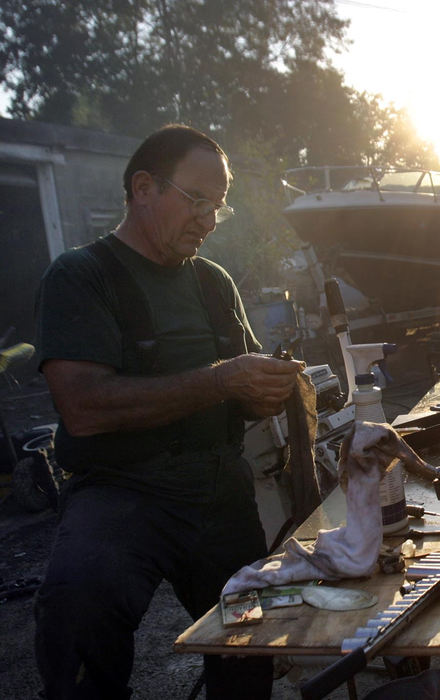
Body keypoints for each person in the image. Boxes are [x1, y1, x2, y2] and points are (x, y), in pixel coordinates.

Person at [33, 124, 304, 700]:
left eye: (219, 208)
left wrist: (267, 387)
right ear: (143, 188)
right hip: (119, 490)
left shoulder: (213, 282)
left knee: (248, 634)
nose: (208, 220)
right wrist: (223, 380)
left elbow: (246, 389)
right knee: (78, 612)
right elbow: (83, 408)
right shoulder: (82, 276)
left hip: (218, 485)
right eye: (197, 200)